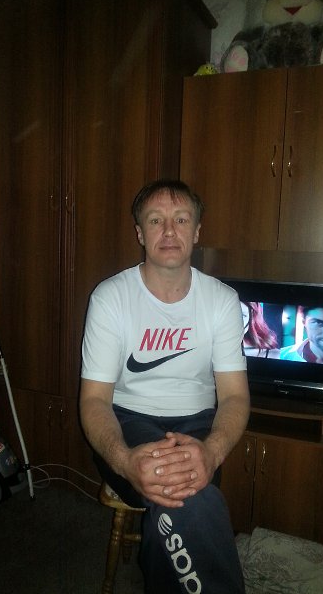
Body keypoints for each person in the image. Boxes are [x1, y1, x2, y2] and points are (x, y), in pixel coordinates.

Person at [79, 179, 250, 594]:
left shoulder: (222, 300)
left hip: (198, 422)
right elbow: (95, 401)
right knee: (185, 492)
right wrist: (124, 461)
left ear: (197, 231)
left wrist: (212, 452)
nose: (169, 231)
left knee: (183, 492)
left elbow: (234, 396)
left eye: (181, 220)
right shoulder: (110, 298)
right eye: (156, 221)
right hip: (127, 419)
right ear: (140, 233)